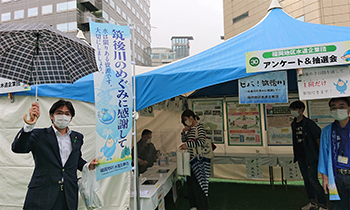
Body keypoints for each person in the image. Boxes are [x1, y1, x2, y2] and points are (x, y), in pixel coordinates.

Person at [12, 100, 98, 210]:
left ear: (71, 118)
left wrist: (87, 166)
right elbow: (18, 148)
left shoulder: (77, 137)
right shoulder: (39, 135)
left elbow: (75, 160)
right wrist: (29, 125)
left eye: (67, 114)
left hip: (68, 194)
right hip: (42, 193)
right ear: (52, 116)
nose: (63, 116)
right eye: (59, 112)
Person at [290, 100, 327, 210]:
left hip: (311, 156)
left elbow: (318, 138)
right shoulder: (293, 123)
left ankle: (323, 205)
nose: (292, 112)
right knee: (306, 180)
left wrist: (320, 154)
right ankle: (312, 202)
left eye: (294, 109)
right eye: (291, 110)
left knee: (313, 180)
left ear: (301, 110)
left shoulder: (309, 123)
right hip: (301, 156)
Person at [318, 97, 350, 210]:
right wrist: (325, 177)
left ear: (349, 109)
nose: (337, 110)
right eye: (333, 108)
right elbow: (323, 155)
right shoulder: (327, 131)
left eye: (341, 107)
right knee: (339, 206)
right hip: (337, 176)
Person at [179, 109, 209, 210]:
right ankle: (193, 205)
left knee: (198, 185)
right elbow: (184, 140)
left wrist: (187, 145)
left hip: (198, 160)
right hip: (190, 160)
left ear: (191, 117)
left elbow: (201, 142)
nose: (186, 122)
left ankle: (202, 206)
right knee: (191, 185)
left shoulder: (199, 127)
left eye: (186, 119)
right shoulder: (190, 128)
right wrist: (184, 132)